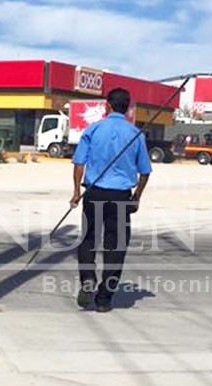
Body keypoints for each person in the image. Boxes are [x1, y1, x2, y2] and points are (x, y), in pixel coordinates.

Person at [70, 88, 151, 313]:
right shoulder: (136, 134)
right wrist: (137, 197)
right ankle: (104, 299)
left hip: (93, 192)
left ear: (107, 106)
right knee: (116, 246)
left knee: (89, 239)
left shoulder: (93, 129)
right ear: (128, 108)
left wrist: (76, 192)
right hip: (120, 197)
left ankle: (88, 279)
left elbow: (79, 163)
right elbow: (145, 172)